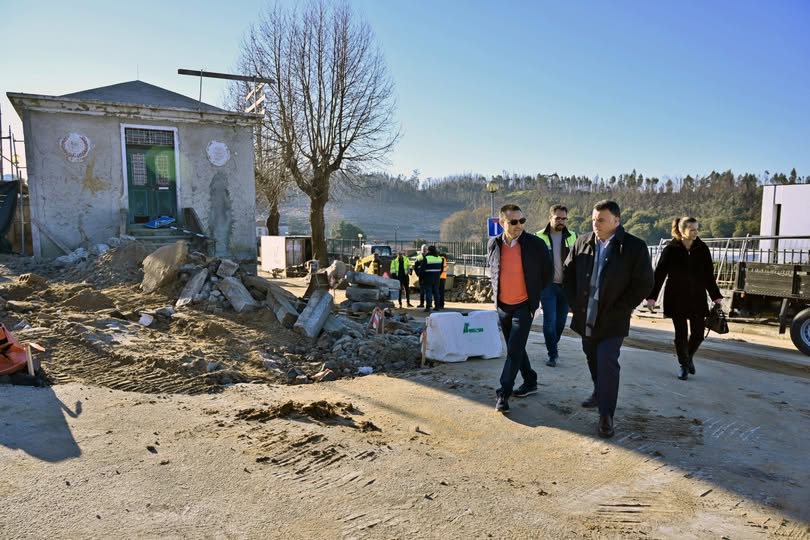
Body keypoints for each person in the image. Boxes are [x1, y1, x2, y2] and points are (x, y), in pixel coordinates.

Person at [563, 200, 653, 438]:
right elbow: (568, 274)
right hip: (586, 315)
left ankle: (606, 414)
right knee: (591, 356)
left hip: (613, 318)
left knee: (607, 362)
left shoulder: (634, 247)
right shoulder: (583, 242)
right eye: (593, 219)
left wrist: (622, 308)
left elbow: (644, 283)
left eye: (601, 220)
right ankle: (598, 390)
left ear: (616, 221)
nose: (596, 224)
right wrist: (574, 303)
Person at [487, 204, 552, 413]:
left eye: (522, 221)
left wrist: (533, 295)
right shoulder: (493, 244)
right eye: (513, 222)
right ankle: (530, 380)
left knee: (513, 350)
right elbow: (494, 271)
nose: (519, 225)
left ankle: (503, 393)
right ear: (501, 223)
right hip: (503, 307)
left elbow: (548, 274)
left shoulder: (535, 244)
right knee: (517, 348)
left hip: (525, 306)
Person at [646, 217, 723, 380]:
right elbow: (659, 274)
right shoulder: (671, 249)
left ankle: (688, 358)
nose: (696, 232)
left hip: (698, 297)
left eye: (697, 229)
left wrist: (716, 297)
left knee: (698, 334)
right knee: (681, 334)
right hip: (676, 296)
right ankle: (683, 365)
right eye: (692, 229)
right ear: (682, 231)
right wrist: (652, 298)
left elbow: (709, 275)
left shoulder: (702, 249)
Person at [536, 204, 577, 367]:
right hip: (548, 287)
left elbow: (579, 261)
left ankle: (553, 344)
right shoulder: (539, 237)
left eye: (564, 218)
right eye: (558, 218)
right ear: (550, 218)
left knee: (560, 324)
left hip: (566, 287)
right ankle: (552, 354)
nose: (561, 221)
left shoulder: (573, 236)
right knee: (549, 322)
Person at [421, 246, 444, 312]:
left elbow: (422, 269)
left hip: (428, 278)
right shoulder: (439, 258)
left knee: (429, 292)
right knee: (436, 292)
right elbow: (441, 269)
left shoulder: (427, 258)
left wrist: (422, 277)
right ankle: (437, 306)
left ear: (429, 251)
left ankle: (428, 307)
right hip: (437, 278)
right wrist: (438, 275)